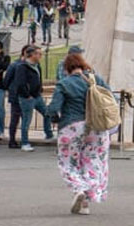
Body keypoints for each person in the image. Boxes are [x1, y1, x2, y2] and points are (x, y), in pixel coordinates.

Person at [48, 53, 113, 215]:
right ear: (83, 65)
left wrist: (55, 118)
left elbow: (53, 108)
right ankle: (86, 202)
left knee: (68, 162)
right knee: (92, 162)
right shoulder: (95, 80)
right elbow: (110, 98)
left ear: (66, 68)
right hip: (96, 127)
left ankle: (79, 189)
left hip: (72, 126)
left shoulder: (64, 84)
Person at [10, 45, 53, 150]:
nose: (40, 56)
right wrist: (26, 95)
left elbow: (39, 79)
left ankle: (49, 134)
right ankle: (25, 142)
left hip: (37, 96)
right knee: (26, 120)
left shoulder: (37, 66)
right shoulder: (22, 67)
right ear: (32, 55)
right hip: (27, 98)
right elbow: (20, 83)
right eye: (38, 53)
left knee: (47, 113)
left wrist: (39, 90)